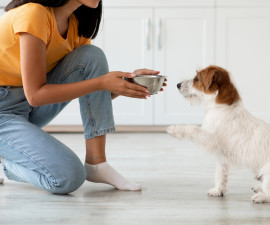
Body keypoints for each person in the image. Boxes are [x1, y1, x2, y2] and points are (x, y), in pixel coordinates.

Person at [0, 0, 166, 194]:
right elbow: (36, 95)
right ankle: (7, 164)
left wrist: (124, 85)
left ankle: (97, 163)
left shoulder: (74, 26)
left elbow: (90, 92)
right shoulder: (34, 13)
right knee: (68, 177)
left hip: (25, 105)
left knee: (91, 56)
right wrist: (102, 82)